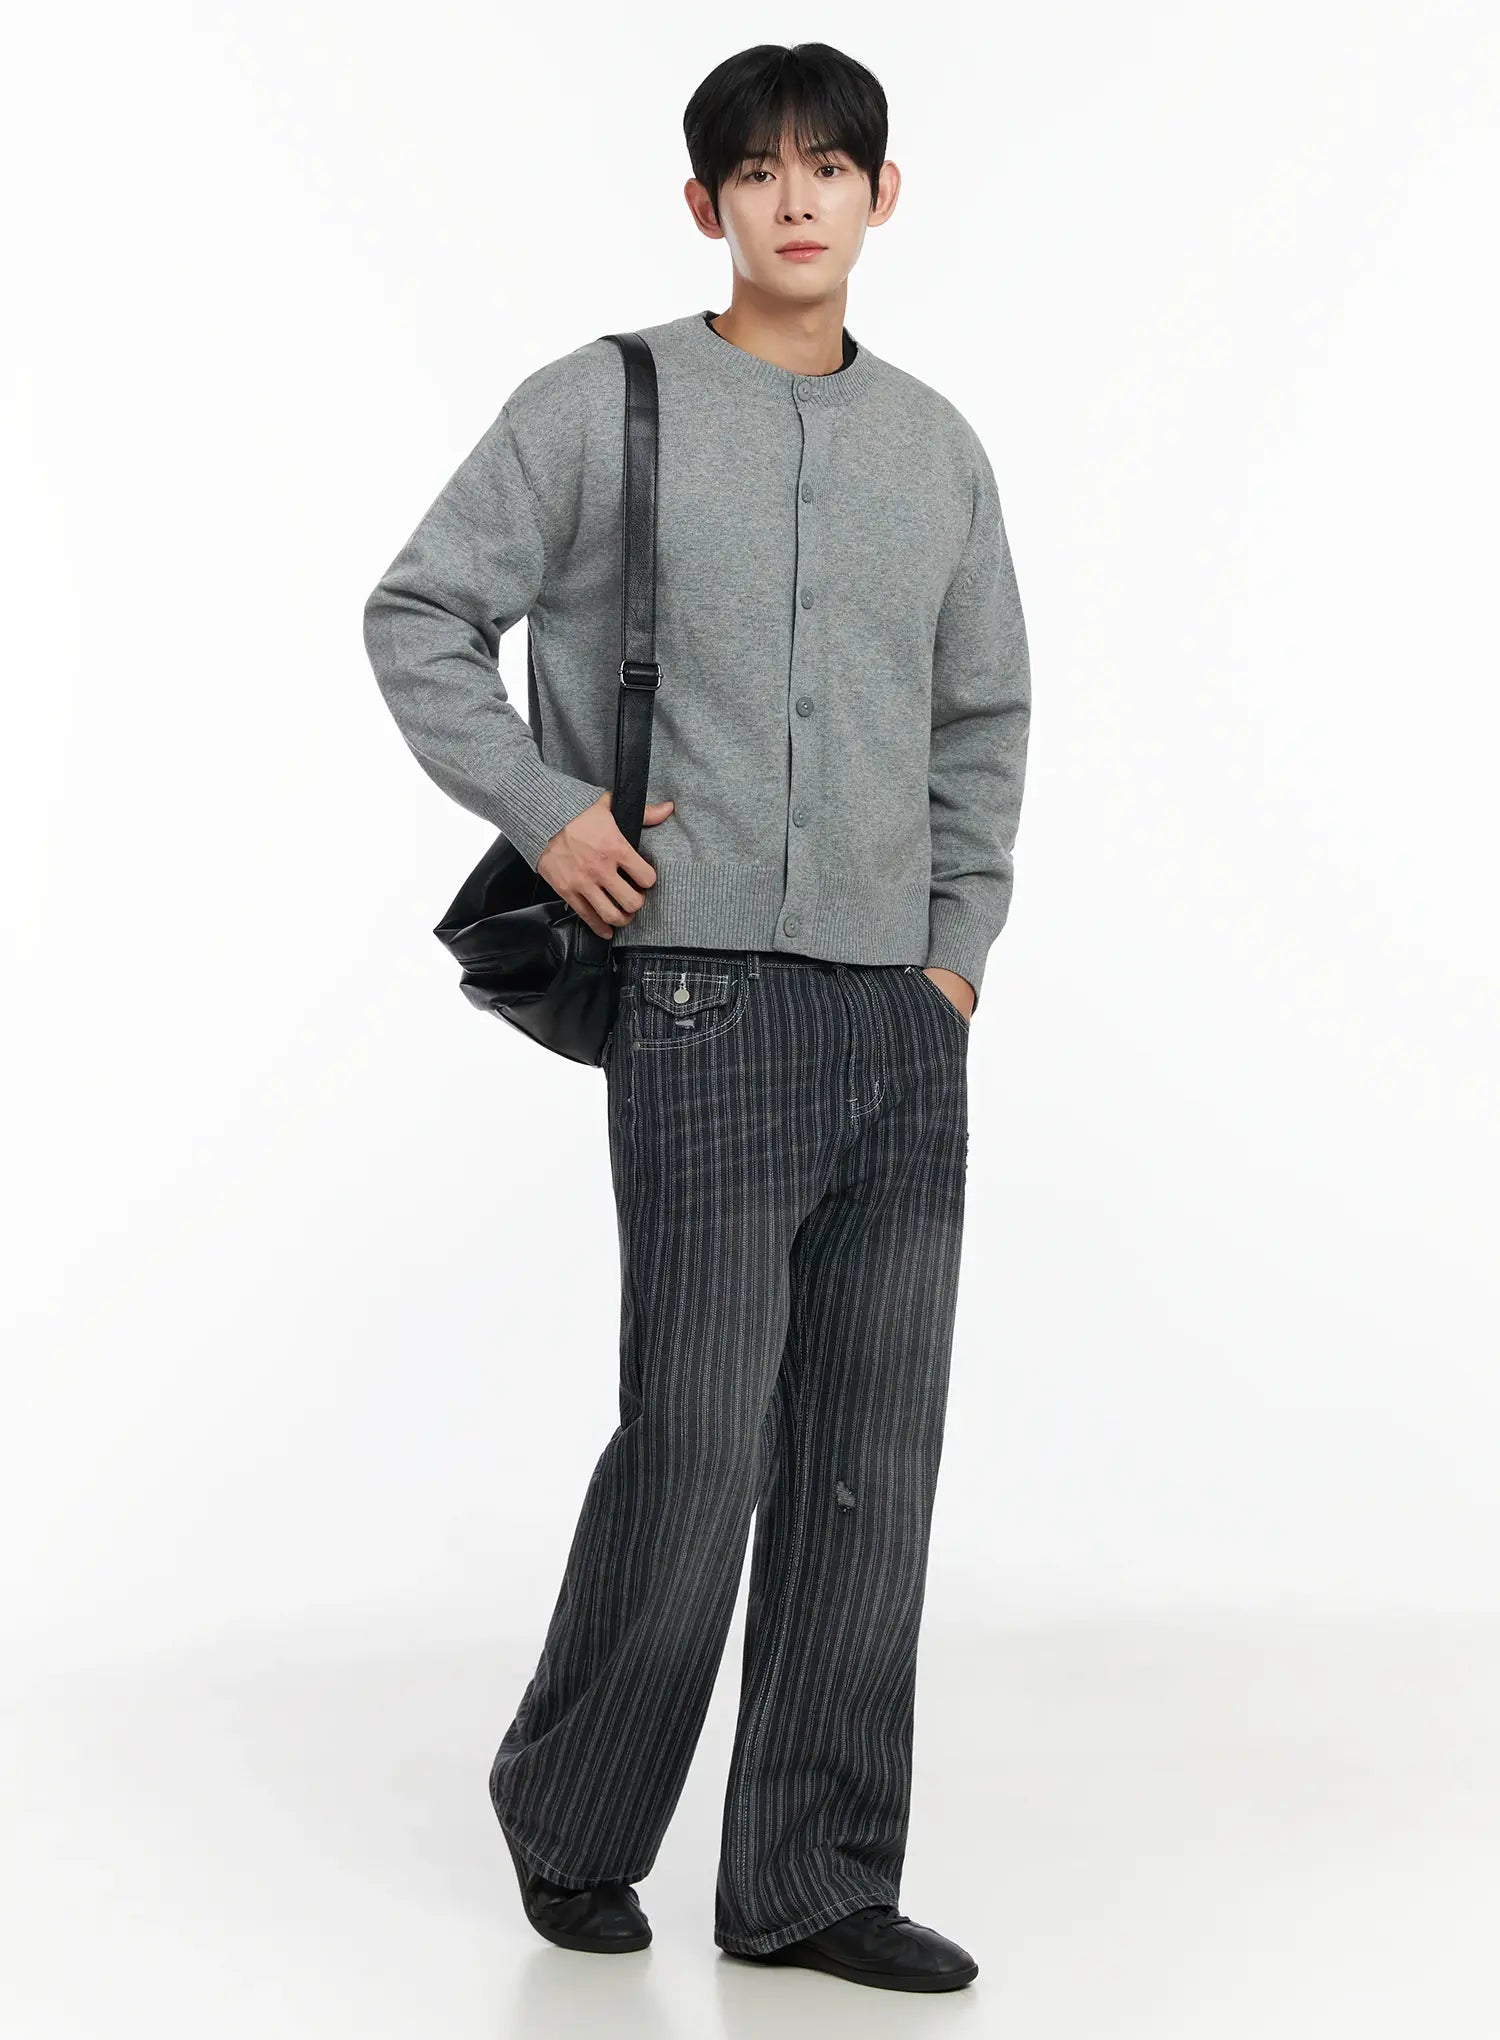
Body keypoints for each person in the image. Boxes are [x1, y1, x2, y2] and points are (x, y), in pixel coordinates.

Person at [362, 41, 1030, 1996]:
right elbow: (420, 611)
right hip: (703, 998)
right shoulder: (603, 405)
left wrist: (956, 956)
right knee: (701, 1440)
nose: (794, 200)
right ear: (705, 204)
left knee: (867, 1461)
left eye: (829, 169)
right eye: (757, 172)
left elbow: (982, 717)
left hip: (901, 1021)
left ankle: (809, 1879)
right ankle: (572, 1813)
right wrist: (547, 810)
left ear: (883, 196)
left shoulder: (939, 450)